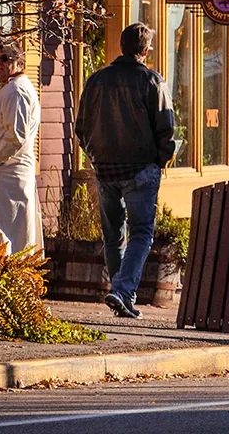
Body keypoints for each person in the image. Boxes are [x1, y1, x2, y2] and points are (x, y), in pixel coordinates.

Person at [74, 22, 176, 320]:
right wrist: (160, 161)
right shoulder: (152, 81)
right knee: (141, 232)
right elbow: (166, 128)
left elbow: (81, 127)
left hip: (105, 169)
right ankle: (122, 291)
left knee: (113, 234)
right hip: (140, 169)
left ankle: (121, 295)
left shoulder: (96, 80)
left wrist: (95, 155)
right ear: (145, 50)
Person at [0, 42, 40, 253]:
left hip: (7, 172)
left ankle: (5, 282)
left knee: (3, 235)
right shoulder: (3, 88)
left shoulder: (16, 91)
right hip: (0, 171)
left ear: (20, 63)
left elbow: (16, 136)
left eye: (4, 58)